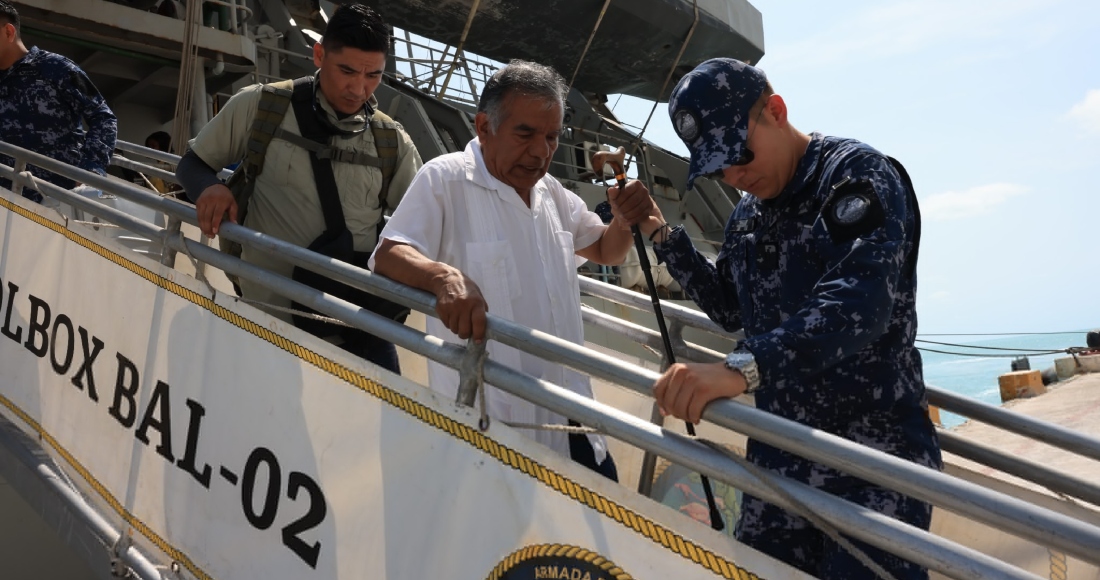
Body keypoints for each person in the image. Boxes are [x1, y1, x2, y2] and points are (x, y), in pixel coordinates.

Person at [647, 58, 942, 578]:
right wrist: (662, 237)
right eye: (718, 169)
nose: (734, 175)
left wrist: (740, 368)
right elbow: (730, 307)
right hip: (781, 461)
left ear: (776, 111)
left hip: (871, 460)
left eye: (739, 155)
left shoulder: (855, 176)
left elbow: (859, 305)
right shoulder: (746, 214)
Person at [370, 60, 659, 480]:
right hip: (488, 425)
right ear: (484, 126)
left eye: (552, 137)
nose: (541, 151)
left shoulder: (553, 194)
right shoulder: (445, 180)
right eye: (525, 133)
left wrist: (623, 220)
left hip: (572, 414)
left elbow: (604, 249)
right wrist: (443, 277)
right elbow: (389, 254)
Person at [176, 3, 421, 374]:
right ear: (319, 54)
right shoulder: (262, 106)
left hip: (357, 326)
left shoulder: (392, 140)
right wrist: (208, 188)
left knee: (383, 423)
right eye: (347, 71)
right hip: (272, 318)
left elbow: (420, 225)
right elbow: (192, 164)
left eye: (374, 75)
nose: (359, 88)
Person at [0, 0, 117, 203]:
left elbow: (102, 116)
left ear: (9, 32)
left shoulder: (55, 69)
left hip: (53, 202)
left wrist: (91, 169)